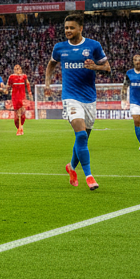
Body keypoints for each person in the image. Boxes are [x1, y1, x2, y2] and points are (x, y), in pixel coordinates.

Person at [44, 14, 110, 191]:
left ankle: (71, 167)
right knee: (81, 135)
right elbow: (51, 64)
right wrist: (48, 83)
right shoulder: (59, 48)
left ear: (80, 28)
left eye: (71, 28)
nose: (68, 31)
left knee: (83, 138)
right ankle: (89, 176)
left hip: (89, 98)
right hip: (70, 97)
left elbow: (107, 68)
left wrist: (95, 67)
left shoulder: (93, 46)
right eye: (66, 28)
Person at [8, 64, 29, 135]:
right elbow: (8, 85)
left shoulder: (24, 76)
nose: (17, 70)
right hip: (15, 96)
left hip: (22, 96)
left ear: (21, 69)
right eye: (15, 69)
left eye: (18, 68)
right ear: (14, 70)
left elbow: (28, 83)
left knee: (22, 112)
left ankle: (21, 126)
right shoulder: (11, 77)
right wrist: (6, 90)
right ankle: (18, 128)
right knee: (17, 114)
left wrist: (29, 92)